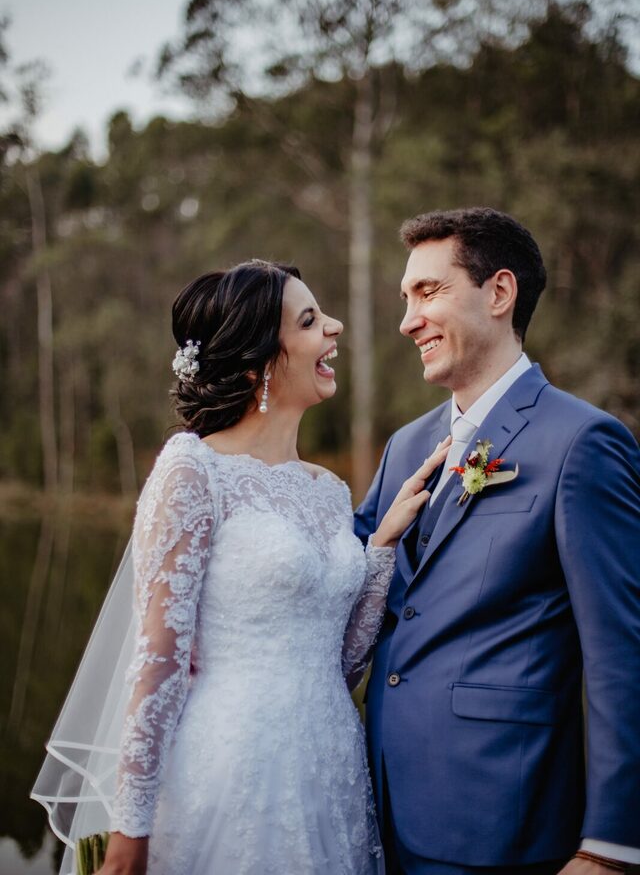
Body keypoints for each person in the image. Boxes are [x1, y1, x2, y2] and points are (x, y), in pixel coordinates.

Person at [33, 259, 451, 875]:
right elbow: (158, 663)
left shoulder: (329, 492)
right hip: (233, 770)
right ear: (258, 363)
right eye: (309, 320)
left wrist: (382, 546)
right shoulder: (193, 470)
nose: (334, 326)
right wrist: (130, 832)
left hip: (331, 771)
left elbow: (340, 665)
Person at [354, 209, 640, 875]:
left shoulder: (581, 443)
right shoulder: (405, 448)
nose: (408, 321)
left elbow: (623, 651)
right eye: (406, 298)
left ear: (500, 292)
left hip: (503, 824)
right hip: (381, 813)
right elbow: (348, 591)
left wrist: (612, 844)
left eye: (428, 291)